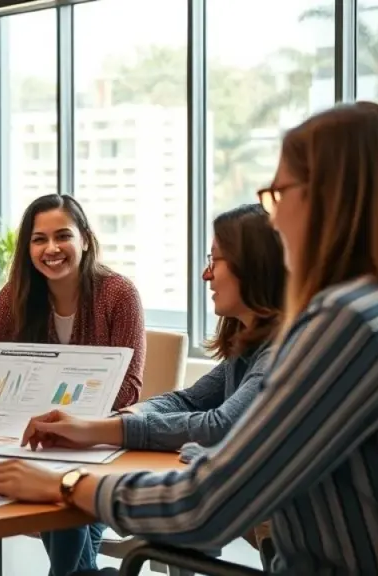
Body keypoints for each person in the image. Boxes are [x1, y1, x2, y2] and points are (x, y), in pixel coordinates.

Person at [0, 102, 378, 575]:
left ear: (336, 200)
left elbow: (207, 504)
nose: (273, 222)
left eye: (278, 195)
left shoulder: (348, 327)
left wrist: (65, 485)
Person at [30, 203, 286, 575]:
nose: (205, 274)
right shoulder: (247, 350)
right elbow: (187, 399)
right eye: (39, 239)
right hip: (233, 511)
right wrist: (128, 417)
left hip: (279, 540)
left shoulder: (282, 350)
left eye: (216, 261)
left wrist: (103, 427)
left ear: (255, 268)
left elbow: (220, 425)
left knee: (69, 493)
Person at [0, 193, 146, 576]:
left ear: (84, 239)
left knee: (58, 488)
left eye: (63, 236)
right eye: (39, 239)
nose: (51, 249)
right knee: (57, 486)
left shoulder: (119, 293)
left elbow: (129, 388)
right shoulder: (16, 295)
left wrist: (68, 418)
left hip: (100, 442)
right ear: (28, 247)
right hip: (40, 441)